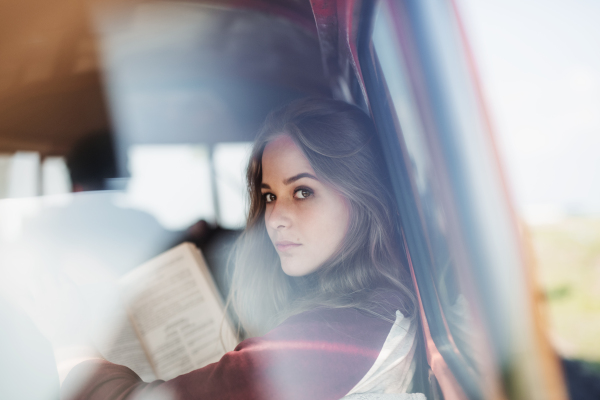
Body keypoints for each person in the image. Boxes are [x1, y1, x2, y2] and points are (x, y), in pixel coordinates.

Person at [56, 98, 429, 399]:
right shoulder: (370, 309)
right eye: (269, 196)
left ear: (362, 197)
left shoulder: (335, 335)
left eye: (303, 192)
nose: (275, 217)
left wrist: (71, 349)